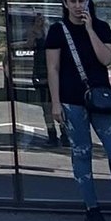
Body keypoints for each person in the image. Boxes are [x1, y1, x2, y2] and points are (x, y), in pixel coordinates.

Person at [45, 0, 111, 221]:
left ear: (87, 2)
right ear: (65, 4)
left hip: (101, 100)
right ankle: (92, 208)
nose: (77, 5)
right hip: (72, 102)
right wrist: (55, 103)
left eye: (81, 1)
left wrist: (90, 29)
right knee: (81, 153)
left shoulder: (101, 27)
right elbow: (53, 69)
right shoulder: (57, 31)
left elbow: (106, 59)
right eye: (72, 1)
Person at [27, 8, 65, 146]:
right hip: (41, 70)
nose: (41, 21)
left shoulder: (53, 31)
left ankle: (65, 133)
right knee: (46, 105)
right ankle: (52, 134)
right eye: (38, 19)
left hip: (56, 70)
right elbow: (29, 45)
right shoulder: (33, 31)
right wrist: (35, 32)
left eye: (43, 18)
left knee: (61, 102)